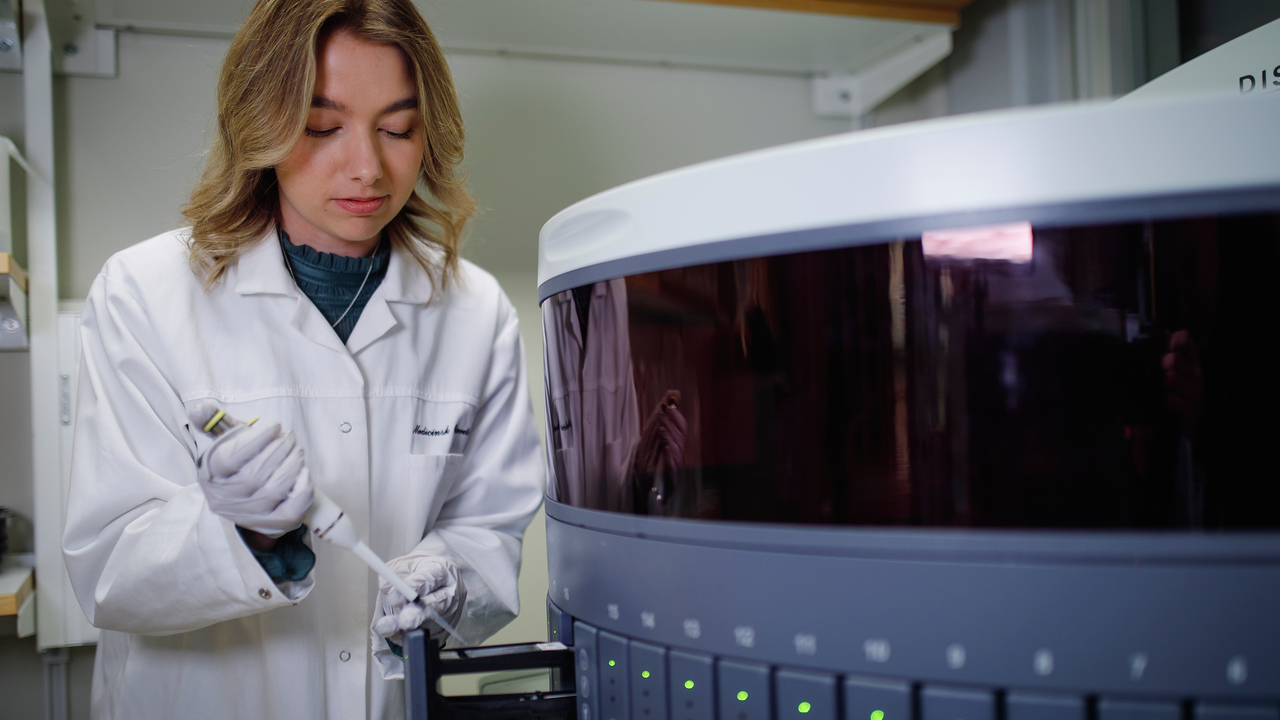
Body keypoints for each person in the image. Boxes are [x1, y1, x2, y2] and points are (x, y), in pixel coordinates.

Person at [60, 0, 544, 717]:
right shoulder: (146, 293)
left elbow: (491, 530)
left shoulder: (475, 313)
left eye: (398, 128)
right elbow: (106, 572)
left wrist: (454, 579)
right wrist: (239, 531)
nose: (368, 167)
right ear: (262, 123)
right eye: (322, 127)